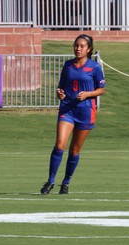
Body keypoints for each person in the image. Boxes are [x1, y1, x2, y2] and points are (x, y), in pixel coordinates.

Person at [40, 34, 106, 195]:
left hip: (85, 111)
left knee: (74, 150)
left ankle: (66, 182)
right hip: (67, 109)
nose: (78, 48)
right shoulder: (68, 65)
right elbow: (61, 86)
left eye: (82, 46)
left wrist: (88, 94)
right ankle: (51, 181)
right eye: (76, 45)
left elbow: (101, 89)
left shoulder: (94, 67)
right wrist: (59, 93)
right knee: (59, 145)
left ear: (89, 49)